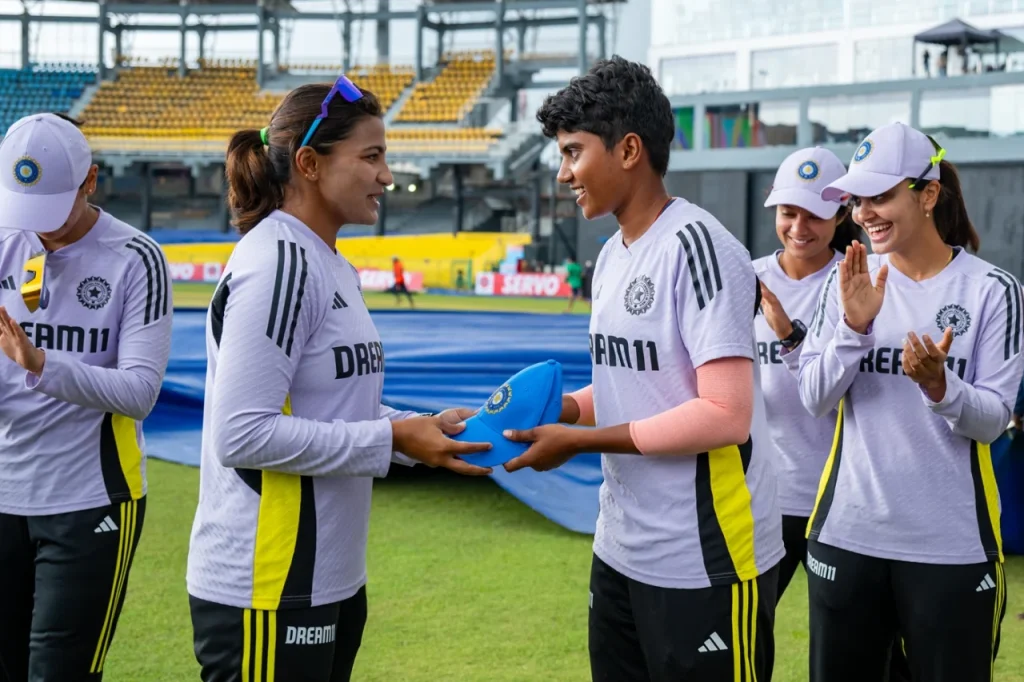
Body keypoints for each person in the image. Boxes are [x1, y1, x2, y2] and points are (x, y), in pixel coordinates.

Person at [185, 76, 493, 682]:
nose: (386, 175)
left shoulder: (330, 265)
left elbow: (332, 404)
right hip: (268, 582)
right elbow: (243, 434)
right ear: (309, 163)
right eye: (371, 157)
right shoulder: (280, 263)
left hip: (328, 576)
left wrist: (416, 427)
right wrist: (394, 442)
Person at [502, 55, 785, 682]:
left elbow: (725, 414)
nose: (563, 173)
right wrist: (554, 412)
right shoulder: (610, 257)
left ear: (629, 149)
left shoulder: (701, 248)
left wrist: (578, 442)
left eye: (574, 152)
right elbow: (634, 389)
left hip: (704, 556)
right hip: (621, 547)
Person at [794, 121, 1019, 682]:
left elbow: (993, 422)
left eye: (881, 196)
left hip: (951, 547)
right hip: (847, 537)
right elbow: (815, 398)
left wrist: (941, 388)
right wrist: (853, 326)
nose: (864, 212)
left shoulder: (993, 290)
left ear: (928, 194)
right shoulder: (847, 281)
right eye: (858, 198)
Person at [0, 112, 173, 679]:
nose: (39, 228)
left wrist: (43, 365)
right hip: (3, 495)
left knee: (60, 673)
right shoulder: (6, 241)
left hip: (90, 501)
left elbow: (140, 392)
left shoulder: (138, 258)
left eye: (54, 206)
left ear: (91, 181)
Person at [755, 146, 860, 601]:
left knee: (857, 647)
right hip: (760, 495)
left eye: (814, 215)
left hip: (841, 498)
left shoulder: (859, 283)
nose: (798, 228)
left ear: (841, 214)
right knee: (743, 633)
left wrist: (789, 336)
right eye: (788, 212)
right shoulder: (746, 277)